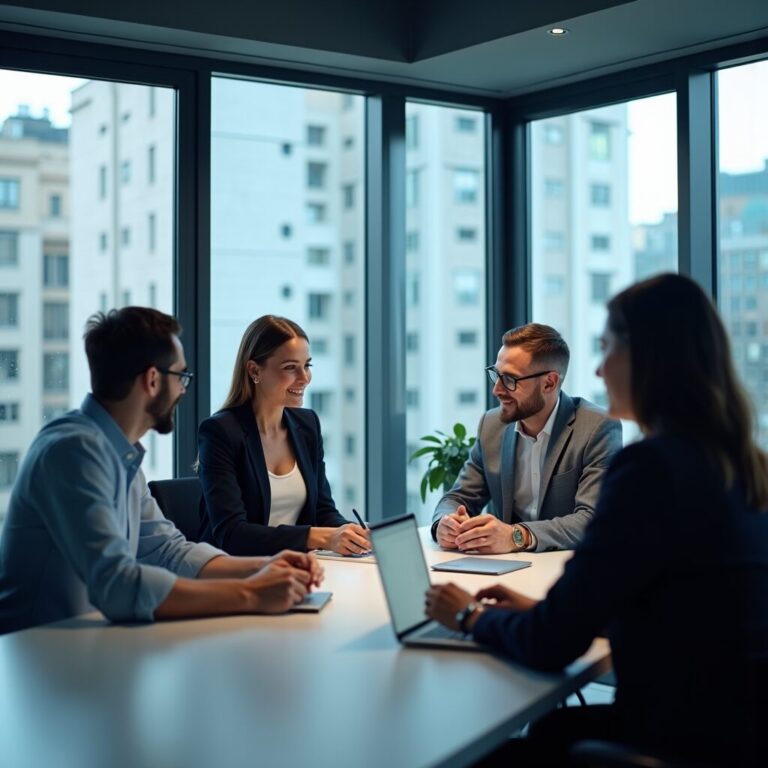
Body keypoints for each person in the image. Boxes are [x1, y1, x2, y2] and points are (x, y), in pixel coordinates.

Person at [426, 274, 768, 767]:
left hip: (674, 739)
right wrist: (535, 609)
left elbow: (550, 645)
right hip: (729, 730)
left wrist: (466, 616)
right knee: (549, 728)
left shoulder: (650, 468)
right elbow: (681, 603)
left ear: (649, 360)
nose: (602, 371)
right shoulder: (735, 462)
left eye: (608, 350)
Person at [0, 307, 323, 636]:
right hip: (38, 653)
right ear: (152, 380)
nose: (184, 390)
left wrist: (265, 566)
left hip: (90, 645)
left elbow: (167, 550)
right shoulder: (73, 453)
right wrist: (252, 594)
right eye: (181, 377)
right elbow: (118, 584)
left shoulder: (118, 454)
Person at [432, 323, 621, 554]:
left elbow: (592, 518)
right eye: (496, 375)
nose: (497, 390)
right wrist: (444, 523)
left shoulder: (597, 427)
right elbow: (458, 497)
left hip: (568, 570)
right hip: (507, 570)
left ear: (549, 383)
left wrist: (516, 536)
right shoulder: (491, 426)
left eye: (510, 379)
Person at [197, 315, 369, 556]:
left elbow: (323, 510)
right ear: (254, 370)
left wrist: (350, 533)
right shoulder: (221, 432)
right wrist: (318, 536)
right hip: (235, 574)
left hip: (294, 568)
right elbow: (232, 534)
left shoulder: (307, 424)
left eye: (307, 365)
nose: (304, 377)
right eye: (290, 367)